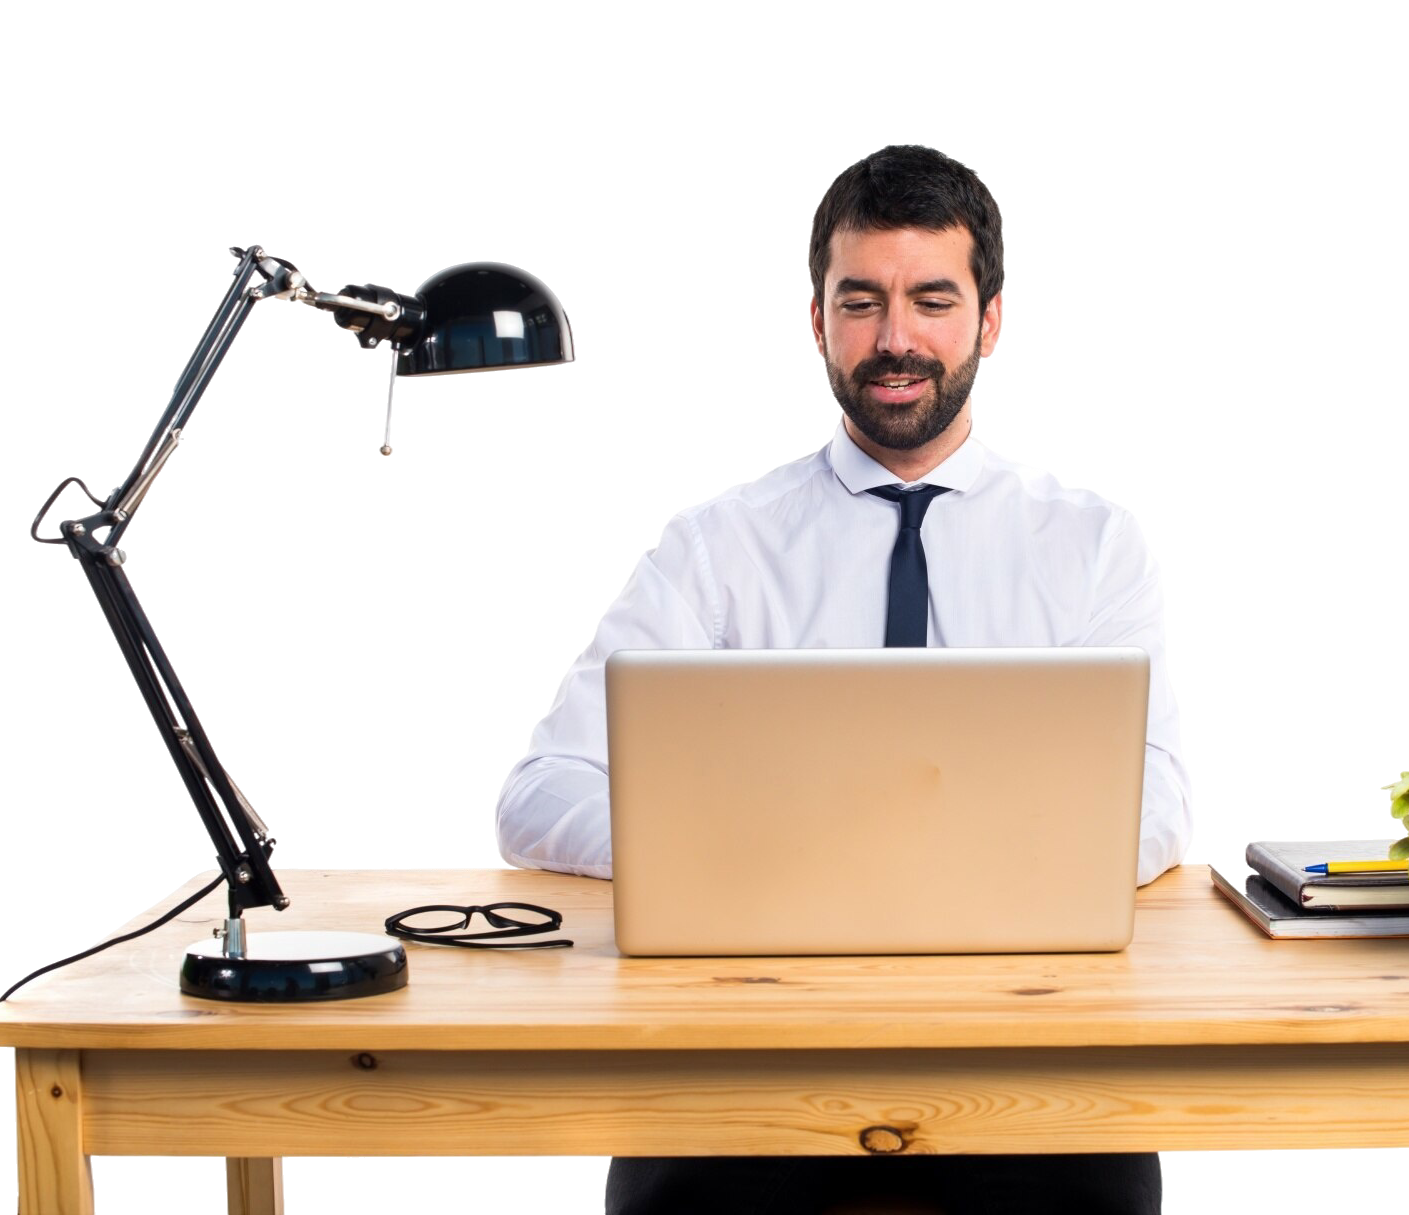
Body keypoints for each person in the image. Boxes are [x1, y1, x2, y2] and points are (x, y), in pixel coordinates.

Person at [490, 140, 1197, 1215]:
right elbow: (535, 796)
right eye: (860, 302)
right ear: (815, 324)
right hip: (738, 1062)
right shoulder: (711, 545)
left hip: (1032, 1056)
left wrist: (922, 860)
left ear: (992, 321)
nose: (895, 338)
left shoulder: (1098, 544)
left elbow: (1161, 800)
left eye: (931, 300)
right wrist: (755, 857)